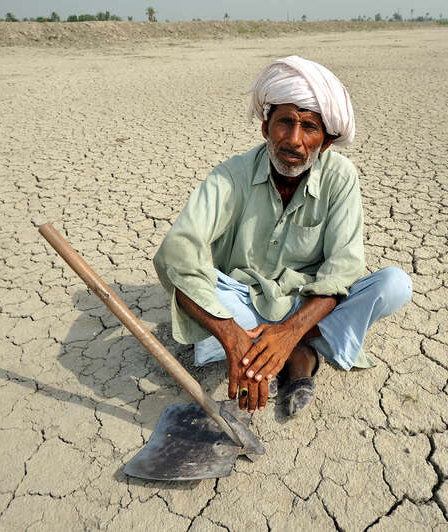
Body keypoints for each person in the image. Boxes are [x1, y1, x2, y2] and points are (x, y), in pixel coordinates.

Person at [153, 56, 411, 417]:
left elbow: (343, 269)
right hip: (243, 300)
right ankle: (293, 354)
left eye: (309, 127)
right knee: (195, 280)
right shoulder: (232, 175)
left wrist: (290, 331)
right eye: (285, 123)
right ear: (265, 128)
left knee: (395, 284)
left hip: (309, 303)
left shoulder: (341, 178)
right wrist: (230, 334)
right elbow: (177, 250)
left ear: (327, 141)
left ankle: (291, 346)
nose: (294, 140)